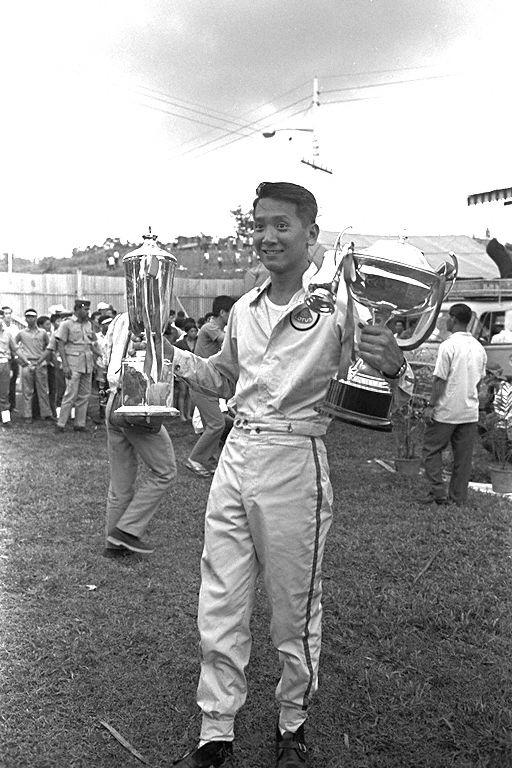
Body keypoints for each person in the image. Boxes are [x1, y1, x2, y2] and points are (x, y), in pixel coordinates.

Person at [169, 181, 411, 767]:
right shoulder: (246, 308)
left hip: (295, 458)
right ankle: (216, 726)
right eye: (260, 225)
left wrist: (392, 364)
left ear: (311, 233)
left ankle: (292, 721)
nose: (268, 236)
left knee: (293, 605)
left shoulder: (341, 303)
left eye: (282, 224)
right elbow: (224, 376)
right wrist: (162, 357)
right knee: (220, 595)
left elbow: (388, 386)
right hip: (236, 455)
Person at [103, 312, 177, 556]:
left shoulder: (119, 319)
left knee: (120, 481)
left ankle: (113, 544)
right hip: (135, 400)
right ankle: (126, 530)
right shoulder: (147, 318)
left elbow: (106, 354)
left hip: (113, 399)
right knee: (165, 471)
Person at [419, 303, 487, 506]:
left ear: (454, 319)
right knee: (463, 458)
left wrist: (430, 405)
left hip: (447, 410)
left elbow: (440, 379)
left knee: (431, 450)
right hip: (469, 411)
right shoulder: (478, 347)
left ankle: (438, 492)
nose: (446, 321)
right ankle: (458, 498)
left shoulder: (448, 346)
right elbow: (480, 382)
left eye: (448, 317)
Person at [184, 295, 235, 478]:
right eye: (232, 312)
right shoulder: (210, 327)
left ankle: (211, 462)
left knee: (213, 425)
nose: (233, 316)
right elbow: (229, 342)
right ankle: (195, 459)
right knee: (217, 424)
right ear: (222, 313)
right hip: (202, 384)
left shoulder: (216, 327)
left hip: (208, 384)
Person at [54, 299, 98, 433]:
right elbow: (60, 345)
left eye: (88, 309)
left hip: (87, 362)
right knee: (70, 394)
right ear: (78, 309)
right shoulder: (66, 324)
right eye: (85, 309)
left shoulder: (89, 324)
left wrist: (95, 361)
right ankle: (61, 424)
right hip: (73, 362)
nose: (87, 312)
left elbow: (92, 343)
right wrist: (65, 365)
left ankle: (80, 424)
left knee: (84, 395)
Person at [15, 308, 53, 423]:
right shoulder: (21, 333)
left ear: (36, 318)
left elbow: (49, 347)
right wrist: (20, 359)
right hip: (27, 363)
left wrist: (45, 359)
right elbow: (13, 346)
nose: (30, 319)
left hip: (40, 363)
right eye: (28, 317)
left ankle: (46, 414)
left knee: (43, 390)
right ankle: (28, 415)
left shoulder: (42, 333)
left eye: (32, 317)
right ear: (25, 319)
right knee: (27, 390)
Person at [0, 309, 29, 427]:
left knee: (4, 393)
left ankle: (6, 419)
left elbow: (15, 348)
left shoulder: (7, 333)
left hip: (4, 363)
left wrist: (25, 360)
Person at [174, 319, 198, 421]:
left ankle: (188, 414)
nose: (194, 333)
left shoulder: (198, 342)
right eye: (191, 331)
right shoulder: (180, 343)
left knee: (190, 393)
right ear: (187, 332)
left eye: (195, 331)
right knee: (182, 392)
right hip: (182, 370)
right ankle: (181, 414)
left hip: (194, 370)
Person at [2, 306, 20, 412]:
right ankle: (4, 409)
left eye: (9, 313)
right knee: (3, 385)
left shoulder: (14, 328)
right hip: (5, 358)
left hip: (13, 357)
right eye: (5, 313)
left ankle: (12, 406)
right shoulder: (2, 328)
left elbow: (16, 344)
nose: (7, 315)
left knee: (12, 382)